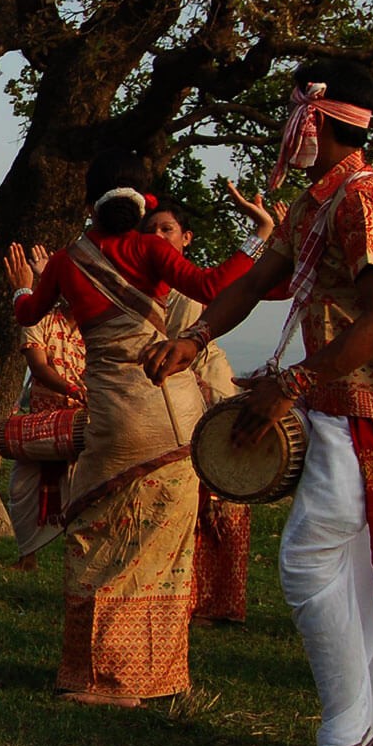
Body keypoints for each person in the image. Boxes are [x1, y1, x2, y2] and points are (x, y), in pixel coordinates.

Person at [145, 60, 373, 746]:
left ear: (316, 122)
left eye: (293, 119)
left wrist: (288, 385)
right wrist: (194, 339)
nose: (284, 134)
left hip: (372, 416)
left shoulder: (363, 204)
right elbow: (254, 283)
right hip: (347, 407)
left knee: (313, 563)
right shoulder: (320, 202)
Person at [6, 150, 260, 708]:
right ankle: (148, 674)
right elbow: (217, 286)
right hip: (174, 412)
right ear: (144, 201)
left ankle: (99, 676)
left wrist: (22, 286)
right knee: (160, 549)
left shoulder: (69, 260)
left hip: (114, 415)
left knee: (95, 536)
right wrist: (260, 236)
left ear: (87, 199)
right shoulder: (152, 248)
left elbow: (28, 316)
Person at [142, 190, 280, 625]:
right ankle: (194, 599)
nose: (160, 238)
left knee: (221, 499)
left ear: (187, 238)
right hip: (170, 399)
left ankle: (221, 602)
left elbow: (235, 286)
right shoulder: (146, 285)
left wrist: (263, 233)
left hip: (207, 392)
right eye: (151, 232)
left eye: (168, 230)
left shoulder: (190, 285)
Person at [8, 259, 86, 570]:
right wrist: (73, 388)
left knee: (83, 488)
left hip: (83, 419)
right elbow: (38, 366)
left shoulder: (97, 325)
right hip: (42, 418)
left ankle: (80, 555)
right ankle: (28, 556)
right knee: (22, 487)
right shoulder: (39, 318)